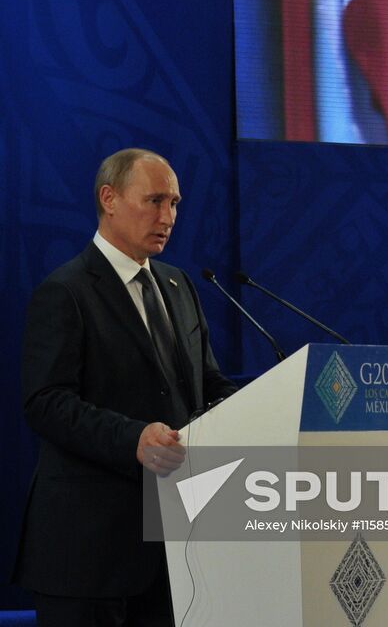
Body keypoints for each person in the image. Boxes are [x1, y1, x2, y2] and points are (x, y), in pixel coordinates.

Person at [13, 148, 237, 626]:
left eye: (175, 203)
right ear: (109, 198)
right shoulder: (66, 291)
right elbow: (45, 403)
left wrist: (265, 407)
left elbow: (207, 384)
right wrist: (132, 438)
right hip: (89, 552)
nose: (168, 217)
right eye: (155, 200)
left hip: (175, 548)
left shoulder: (179, 286)